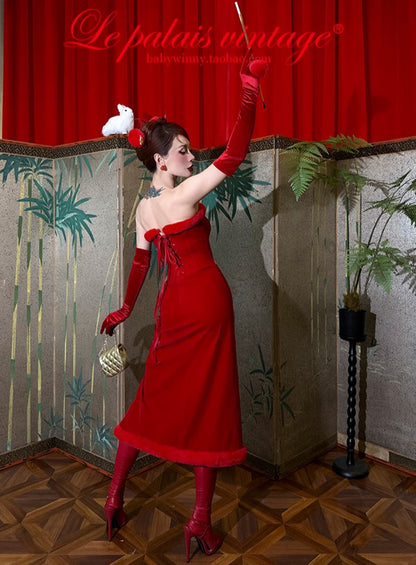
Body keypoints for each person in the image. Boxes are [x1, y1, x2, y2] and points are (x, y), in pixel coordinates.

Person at [100, 49, 267, 561]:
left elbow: (140, 265)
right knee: (209, 406)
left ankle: (113, 498)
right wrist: (248, 91)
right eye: (183, 150)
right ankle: (199, 521)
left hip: (171, 308)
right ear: (160, 160)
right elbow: (235, 153)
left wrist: (125, 309)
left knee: (150, 402)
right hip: (207, 302)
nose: (191, 157)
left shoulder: (144, 210)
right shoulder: (186, 195)